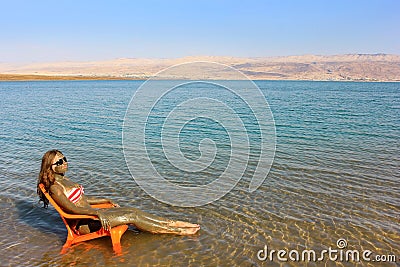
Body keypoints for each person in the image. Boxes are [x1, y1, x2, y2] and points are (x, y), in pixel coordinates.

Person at [37, 149, 200, 235]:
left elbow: (83, 199)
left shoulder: (65, 180)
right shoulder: (55, 187)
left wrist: (104, 199)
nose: (65, 162)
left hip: (91, 215)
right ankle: (177, 231)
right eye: (60, 161)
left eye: (65, 159)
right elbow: (71, 209)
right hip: (84, 223)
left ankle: (171, 223)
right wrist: (96, 212)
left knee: (133, 211)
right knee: (133, 216)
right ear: (51, 167)